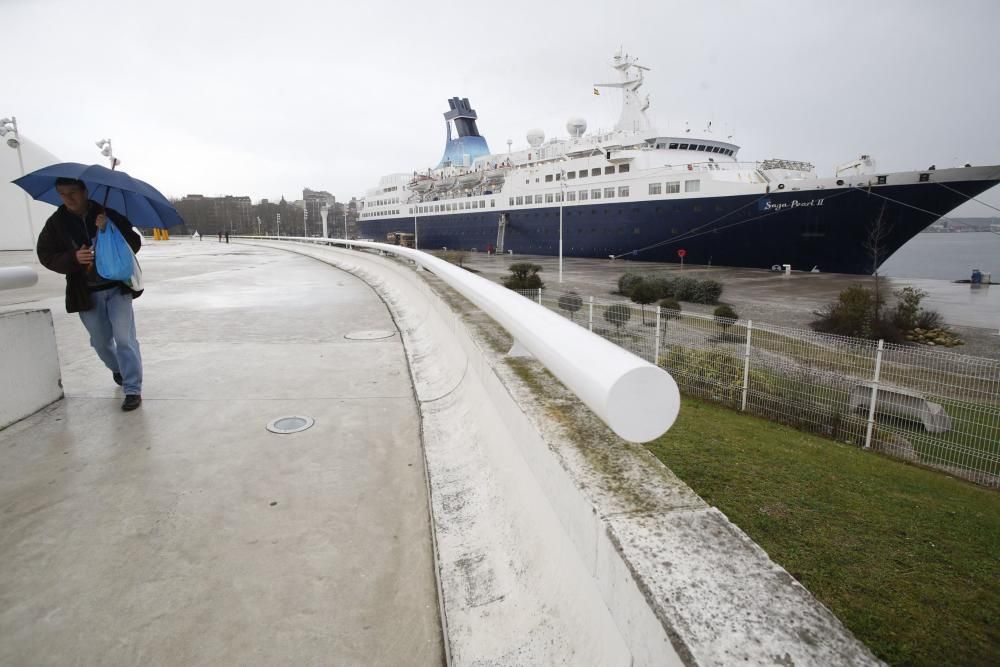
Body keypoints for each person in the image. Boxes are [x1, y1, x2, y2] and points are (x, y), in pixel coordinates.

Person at [36, 177, 144, 411]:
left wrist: (110, 232)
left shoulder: (109, 214)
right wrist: (73, 258)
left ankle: (132, 388)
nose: (68, 198)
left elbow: (134, 243)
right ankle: (118, 368)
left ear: (84, 191)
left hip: (117, 289)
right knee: (101, 343)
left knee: (125, 339)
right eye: (62, 193)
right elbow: (45, 254)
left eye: (73, 192)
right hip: (86, 293)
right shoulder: (56, 223)